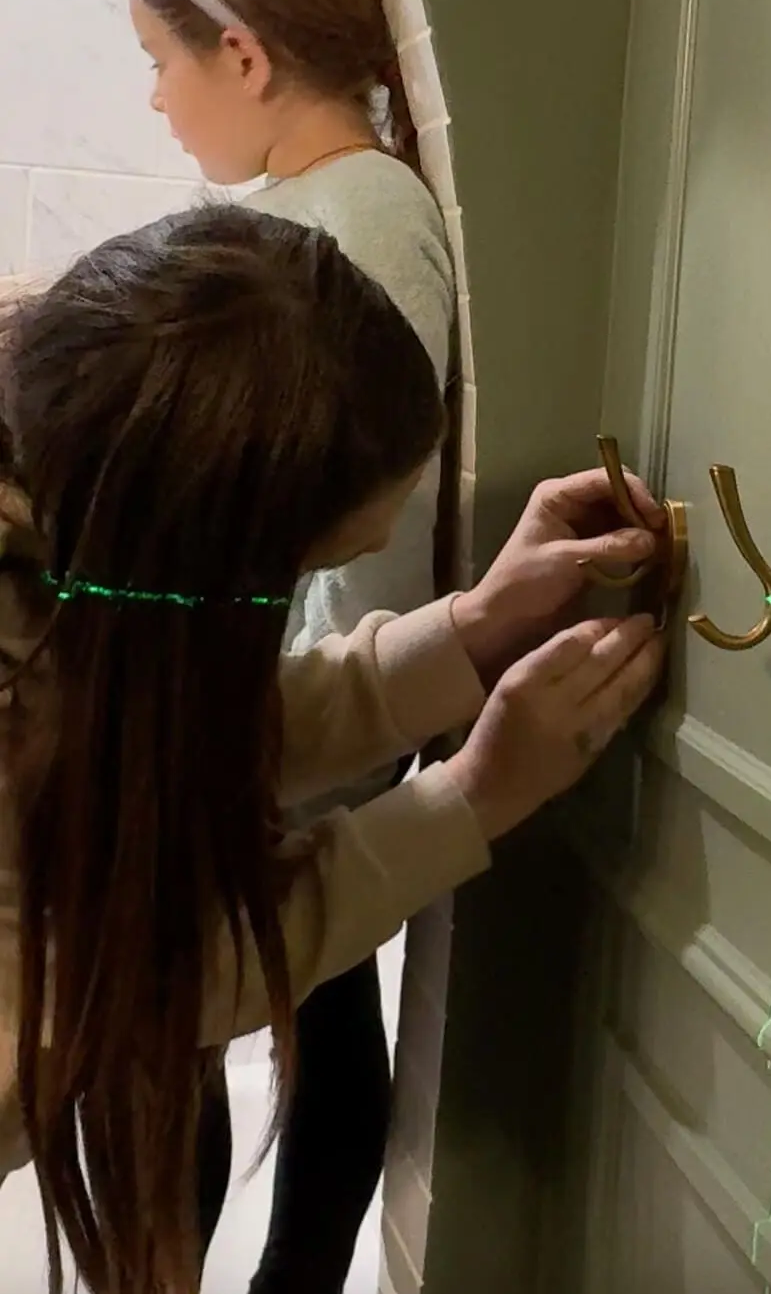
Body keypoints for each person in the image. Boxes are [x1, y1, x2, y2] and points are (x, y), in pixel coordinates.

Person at [0, 205, 663, 1294]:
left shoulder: (58, 555)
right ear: (197, 562)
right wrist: (473, 796)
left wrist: (471, 627)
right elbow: (133, 984)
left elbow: (155, 726)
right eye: (302, 567)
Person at [128, 0, 457, 1290]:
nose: (155, 99)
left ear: (245, 55)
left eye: (160, 63)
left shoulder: (354, 227)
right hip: (284, 708)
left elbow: (346, 537)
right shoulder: (336, 211)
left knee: (201, 1032)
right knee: (285, 1026)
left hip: (284, 717)